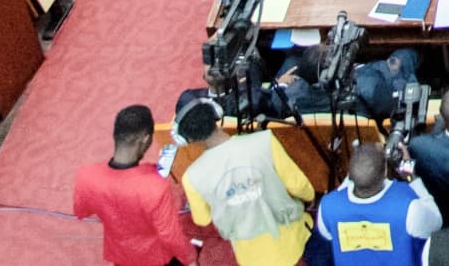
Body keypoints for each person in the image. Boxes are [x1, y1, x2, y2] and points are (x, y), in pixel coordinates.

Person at [181, 98, 318, 266]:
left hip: (250, 257)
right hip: (294, 242)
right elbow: (299, 186)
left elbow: (203, 219)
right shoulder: (264, 141)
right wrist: (310, 197)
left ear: (189, 139)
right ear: (216, 115)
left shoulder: (191, 177)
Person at [74, 104, 192, 266]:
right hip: (155, 258)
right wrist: (190, 259)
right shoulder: (154, 186)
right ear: (145, 138)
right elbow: (170, 236)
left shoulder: (86, 176)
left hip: (121, 255)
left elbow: (81, 211)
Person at [318, 142, 442, 266]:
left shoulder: (327, 206)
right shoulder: (409, 209)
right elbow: (437, 222)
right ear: (385, 172)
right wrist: (412, 177)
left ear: (350, 173)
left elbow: (329, 236)